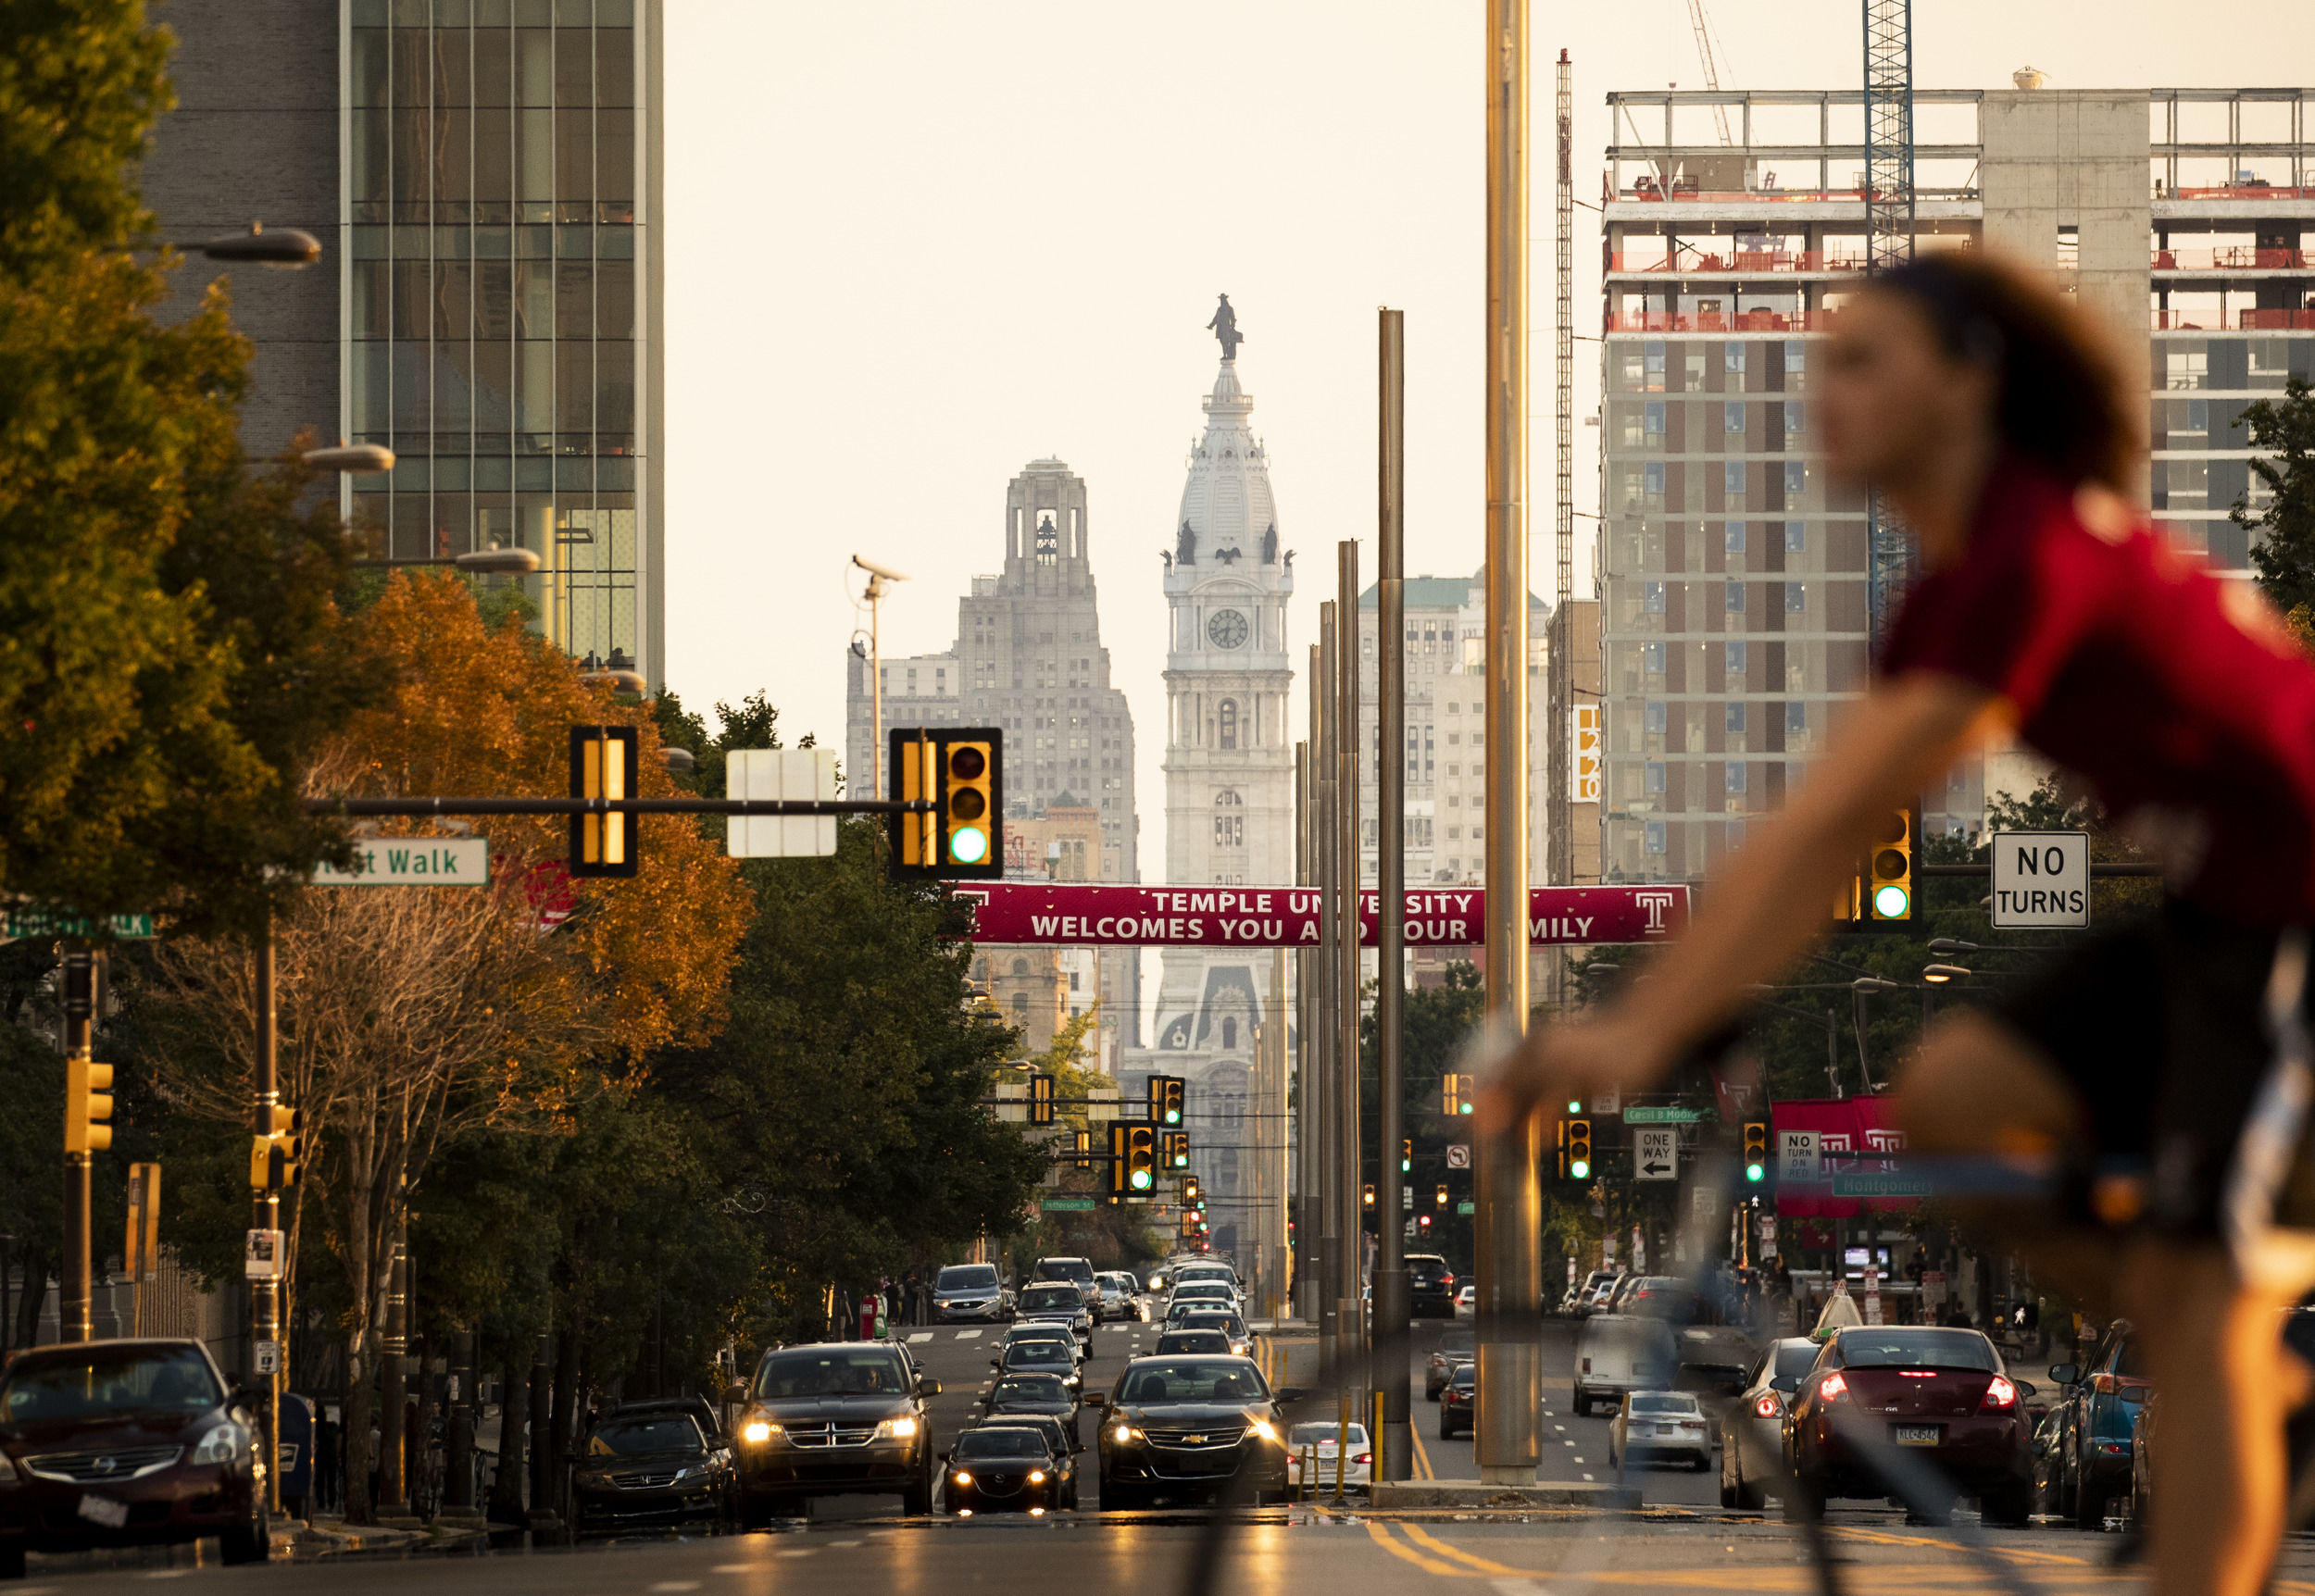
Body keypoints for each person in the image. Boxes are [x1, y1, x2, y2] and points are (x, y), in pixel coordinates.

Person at [1481, 250, 2315, 1596]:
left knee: (2204, 1303)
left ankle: (2217, 1339)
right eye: (1819, 364)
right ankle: (2206, 1329)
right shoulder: (1955, 585)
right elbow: (1819, 828)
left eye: (1863, 360)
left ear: (1970, 380)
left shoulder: (2032, 551)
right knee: (1953, 1093)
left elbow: (1824, 833)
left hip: (2299, 923)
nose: (1826, 392)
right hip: (2224, 914)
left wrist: (1635, 1029)